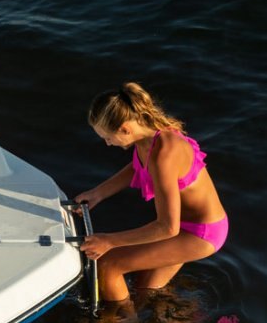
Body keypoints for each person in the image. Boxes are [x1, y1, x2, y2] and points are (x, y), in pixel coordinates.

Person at [72, 82, 228, 309]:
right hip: (183, 224)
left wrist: (109, 241)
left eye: (108, 137)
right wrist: (98, 193)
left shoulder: (164, 154)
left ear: (125, 129)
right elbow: (138, 167)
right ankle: (174, 317)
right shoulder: (146, 138)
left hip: (200, 232)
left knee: (108, 265)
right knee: (143, 289)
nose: (107, 143)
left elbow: (167, 228)